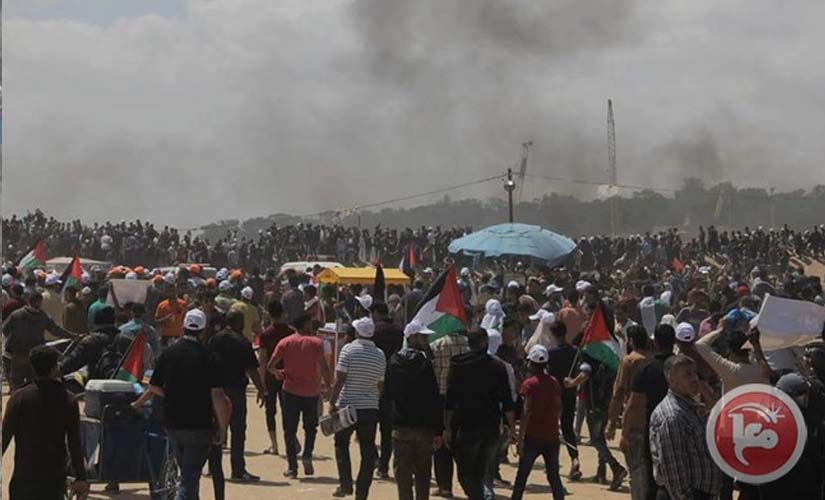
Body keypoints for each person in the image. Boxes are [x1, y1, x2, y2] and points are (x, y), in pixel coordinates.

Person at [147, 309, 230, 500]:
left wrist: (172, 396)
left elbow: (153, 386)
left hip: (173, 424)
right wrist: (223, 428)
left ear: (183, 327)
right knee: (189, 479)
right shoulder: (208, 356)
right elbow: (218, 396)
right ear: (203, 330)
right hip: (199, 425)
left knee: (186, 473)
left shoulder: (169, 353)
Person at [1, 345, 89, 500]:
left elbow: (4, 437)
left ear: (32, 367)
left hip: (24, 478)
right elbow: (74, 443)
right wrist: (81, 478)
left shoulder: (19, 398)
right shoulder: (68, 399)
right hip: (54, 480)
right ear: (55, 368)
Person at [445, 329, 516, 500]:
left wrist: (447, 427)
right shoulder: (498, 366)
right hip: (490, 427)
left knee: (465, 474)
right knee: (480, 472)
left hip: (466, 427)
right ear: (485, 342)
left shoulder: (458, 364)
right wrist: (512, 427)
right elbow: (507, 401)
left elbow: (450, 400)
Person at [268, 313, 332, 478]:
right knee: (310, 428)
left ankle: (292, 467)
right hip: (311, 392)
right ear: (305, 325)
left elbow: (270, 366)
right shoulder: (316, 343)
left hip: (290, 391)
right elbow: (324, 367)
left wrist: (278, 373)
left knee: (289, 430)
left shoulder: (286, 342)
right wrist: (329, 387)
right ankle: (307, 455)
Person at [649, 355, 721, 500]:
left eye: (695, 373)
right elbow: (673, 469)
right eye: (687, 375)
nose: (694, 379)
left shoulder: (692, 408)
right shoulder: (672, 416)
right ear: (672, 380)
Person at [330, 317, 387, 499]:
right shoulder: (380, 354)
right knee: (367, 451)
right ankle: (362, 493)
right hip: (369, 409)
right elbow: (380, 385)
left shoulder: (348, 349)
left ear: (356, 332)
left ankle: (345, 483)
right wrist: (373, 400)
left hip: (347, 406)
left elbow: (340, 379)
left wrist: (332, 402)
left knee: (341, 444)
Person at [208, 309, 268, 482]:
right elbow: (252, 369)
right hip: (236, 390)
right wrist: (261, 389)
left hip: (216, 390)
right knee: (238, 430)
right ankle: (238, 470)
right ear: (238, 323)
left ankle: (213, 468)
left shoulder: (215, 339)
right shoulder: (242, 342)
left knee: (216, 427)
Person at [385, 321, 442, 500]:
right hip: (424, 428)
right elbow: (434, 397)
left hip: (401, 426)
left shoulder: (394, 361)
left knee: (403, 473)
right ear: (412, 337)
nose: (426, 340)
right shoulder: (425, 364)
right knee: (423, 473)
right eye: (423, 336)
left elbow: (387, 393)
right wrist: (438, 430)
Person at [511, 345, 565, 500]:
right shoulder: (554, 382)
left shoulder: (529, 384)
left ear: (531, 364)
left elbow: (526, 412)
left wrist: (520, 438)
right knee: (554, 476)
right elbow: (559, 407)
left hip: (532, 437)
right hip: (551, 436)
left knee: (522, 475)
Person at [606, 325, 652, 500]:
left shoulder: (629, 361)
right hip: (653, 420)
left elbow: (618, 394)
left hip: (634, 420)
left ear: (631, 341)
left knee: (636, 470)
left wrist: (611, 423)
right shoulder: (652, 360)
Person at [3, 290, 76, 390]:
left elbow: (5, 330)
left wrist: (16, 339)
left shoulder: (16, 314)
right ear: (40, 302)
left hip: (19, 354)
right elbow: (56, 330)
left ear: (28, 301)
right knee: (34, 384)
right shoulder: (43, 316)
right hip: (36, 356)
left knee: (16, 383)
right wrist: (73, 336)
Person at [430, 326, 470, 498]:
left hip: (442, 398)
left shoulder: (437, 345)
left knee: (441, 442)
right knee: (461, 441)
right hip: (464, 399)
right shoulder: (468, 345)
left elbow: (433, 373)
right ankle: (469, 484)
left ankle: (444, 486)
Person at [371, 302, 404, 479]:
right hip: (393, 383)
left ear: (376, 313)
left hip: (373, 383)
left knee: (367, 427)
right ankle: (383, 467)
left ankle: (375, 459)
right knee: (387, 430)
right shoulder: (399, 330)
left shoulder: (374, 331)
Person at [545, 321, 581, 480]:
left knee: (552, 429)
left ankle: (553, 462)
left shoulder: (551, 353)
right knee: (567, 428)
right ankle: (575, 459)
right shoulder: (575, 351)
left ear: (553, 335)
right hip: (570, 393)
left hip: (554, 394)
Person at [258, 300, 292, 455]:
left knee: (270, 410)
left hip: (270, 376)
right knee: (288, 410)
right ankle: (290, 439)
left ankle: (274, 444)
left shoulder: (265, 334)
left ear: (269, 314)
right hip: (288, 376)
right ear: (283, 313)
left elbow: (263, 359)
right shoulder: (291, 332)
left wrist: (261, 381)